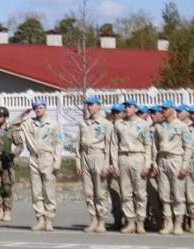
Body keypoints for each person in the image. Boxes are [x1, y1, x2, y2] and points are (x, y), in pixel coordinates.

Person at [18, 98, 63, 232]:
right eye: (35, 108)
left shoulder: (53, 124)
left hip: (47, 158)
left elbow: (58, 143)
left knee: (49, 191)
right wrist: (23, 114)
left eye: (40, 107)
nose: (38, 110)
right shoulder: (29, 123)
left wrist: (57, 161)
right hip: (34, 158)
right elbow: (13, 125)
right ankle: (40, 219)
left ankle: (49, 219)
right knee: (36, 191)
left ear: (45, 108)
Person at [152, 100, 193, 235]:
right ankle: (168, 222)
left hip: (176, 160)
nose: (162, 110)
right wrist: (155, 162)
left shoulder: (182, 126)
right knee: (164, 193)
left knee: (178, 194)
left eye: (165, 108)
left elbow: (188, 146)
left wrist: (185, 164)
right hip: (162, 159)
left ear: (172, 109)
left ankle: (178, 223)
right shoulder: (159, 126)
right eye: (162, 108)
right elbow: (155, 146)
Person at [111, 98, 152, 234]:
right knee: (126, 192)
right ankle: (130, 221)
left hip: (138, 157)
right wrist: (115, 164)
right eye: (126, 106)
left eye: (129, 106)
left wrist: (147, 164)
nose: (127, 109)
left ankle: (140, 221)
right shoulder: (119, 124)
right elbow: (114, 145)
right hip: (123, 157)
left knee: (140, 192)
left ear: (135, 109)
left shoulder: (143, 124)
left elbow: (148, 145)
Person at [75, 96, 114, 233]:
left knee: (100, 191)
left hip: (99, 155)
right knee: (88, 192)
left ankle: (102, 220)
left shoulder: (106, 124)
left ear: (99, 106)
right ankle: (93, 219)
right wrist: (78, 162)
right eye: (88, 105)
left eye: (91, 104)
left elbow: (110, 146)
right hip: (85, 156)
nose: (89, 107)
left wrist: (107, 164)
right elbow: (78, 145)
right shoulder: (83, 124)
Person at [0, 107, 22, 222]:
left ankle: (7, 211)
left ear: (5, 118)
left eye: (0, 116)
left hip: (7, 163)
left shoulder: (11, 130)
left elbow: (20, 145)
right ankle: (0, 210)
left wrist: (13, 154)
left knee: (7, 187)